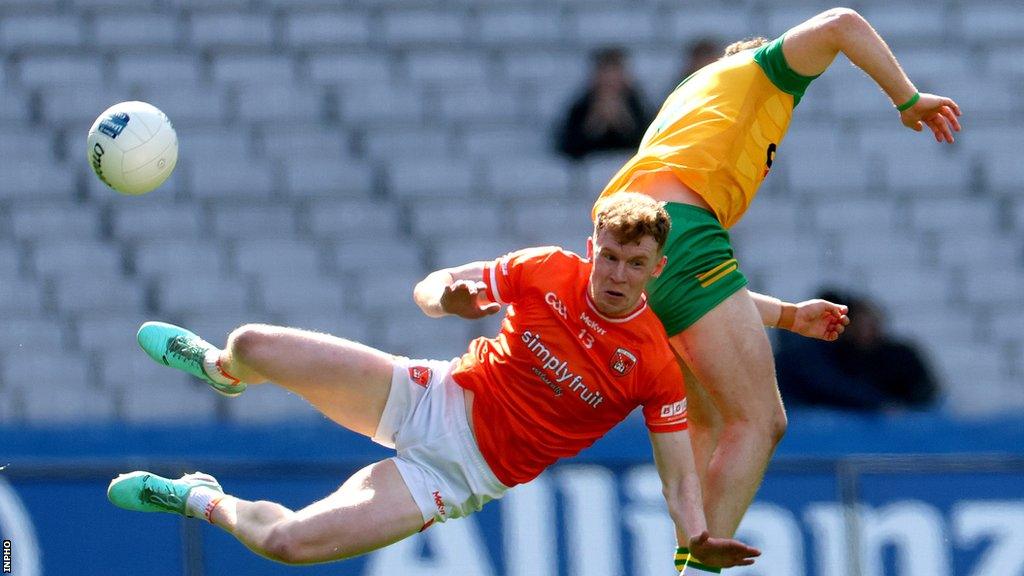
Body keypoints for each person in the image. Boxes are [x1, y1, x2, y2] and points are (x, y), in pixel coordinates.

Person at [107, 193, 768, 569]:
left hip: (455, 478)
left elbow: (680, 475)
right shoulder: (546, 270)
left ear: (657, 269)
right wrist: (445, 297)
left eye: (635, 263)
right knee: (250, 343)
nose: (616, 275)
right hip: (429, 396)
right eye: (609, 256)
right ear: (592, 246)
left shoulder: (653, 361)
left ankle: (198, 498)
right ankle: (223, 372)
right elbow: (432, 289)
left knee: (289, 544)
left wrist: (693, 535)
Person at [593, 8, 960, 574]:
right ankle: (697, 567)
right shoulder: (758, 72)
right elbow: (842, 22)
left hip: (628, 239)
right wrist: (907, 99)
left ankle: (685, 554)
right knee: (760, 421)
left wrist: (787, 315)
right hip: (680, 233)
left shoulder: (693, 102)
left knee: (708, 420)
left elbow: (691, 289)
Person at [776, 290, 939, 411]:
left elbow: (924, 389)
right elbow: (831, 385)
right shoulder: (816, 352)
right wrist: (880, 404)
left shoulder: (900, 353)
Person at [558, 47, 649, 160]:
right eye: (606, 73)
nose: (610, 80)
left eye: (615, 73)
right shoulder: (581, 107)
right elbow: (568, 147)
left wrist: (624, 122)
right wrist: (595, 123)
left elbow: (647, 145)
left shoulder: (637, 105)